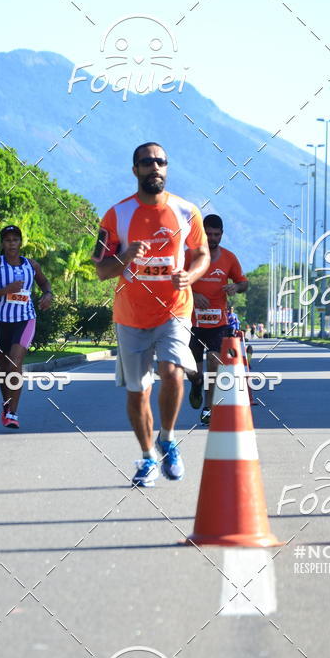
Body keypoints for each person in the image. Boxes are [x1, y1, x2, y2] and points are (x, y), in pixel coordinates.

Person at [92, 142, 210, 486]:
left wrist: (192, 275)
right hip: (130, 316)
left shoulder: (187, 211)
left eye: (160, 162)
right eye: (147, 162)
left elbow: (201, 253)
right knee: (137, 391)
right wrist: (125, 256)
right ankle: (147, 458)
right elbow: (100, 269)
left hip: (174, 310)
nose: (154, 167)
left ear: (167, 168)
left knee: (173, 372)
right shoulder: (116, 215)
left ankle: (168, 438)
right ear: (135, 170)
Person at [0, 225, 53, 429]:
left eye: (15, 240)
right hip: (0, 320)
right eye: (7, 240)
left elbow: (44, 283)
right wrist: (6, 290)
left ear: (21, 242)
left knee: (15, 363)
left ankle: (13, 412)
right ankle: (6, 406)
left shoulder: (31, 265)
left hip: (25, 319)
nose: (11, 243)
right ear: (2, 244)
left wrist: (48, 295)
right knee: (4, 368)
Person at [187, 215, 248, 424]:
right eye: (208, 234)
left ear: (221, 234)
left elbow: (243, 283)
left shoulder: (229, 258)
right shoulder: (189, 256)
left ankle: (208, 409)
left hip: (218, 323)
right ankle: (195, 383)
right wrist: (193, 295)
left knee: (214, 362)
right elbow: (174, 282)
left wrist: (236, 287)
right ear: (202, 233)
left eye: (216, 234)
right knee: (193, 370)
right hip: (192, 322)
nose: (212, 238)